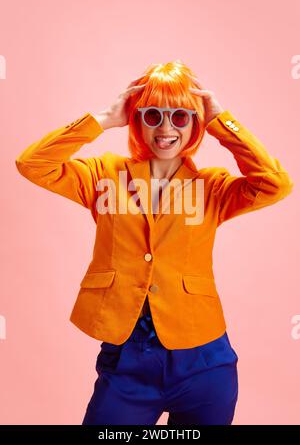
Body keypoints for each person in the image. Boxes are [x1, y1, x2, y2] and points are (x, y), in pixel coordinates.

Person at [15, 60, 294, 425]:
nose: (166, 128)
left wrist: (222, 122)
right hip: (127, 360)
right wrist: (100, 119)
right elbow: (32, 163)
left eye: (180, 117)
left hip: (204, 361)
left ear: (195, 123)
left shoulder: (213, 187)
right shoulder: (104, 176)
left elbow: (276, 184)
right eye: (153, 116)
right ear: (136, 119)